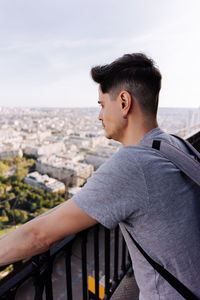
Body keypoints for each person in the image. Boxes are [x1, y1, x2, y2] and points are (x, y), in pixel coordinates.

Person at [0, 53, 199, 300]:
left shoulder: (132, 164)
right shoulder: (176, 144)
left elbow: (38, 236)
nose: (99, 116)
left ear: (124, 102)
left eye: (102, 105)